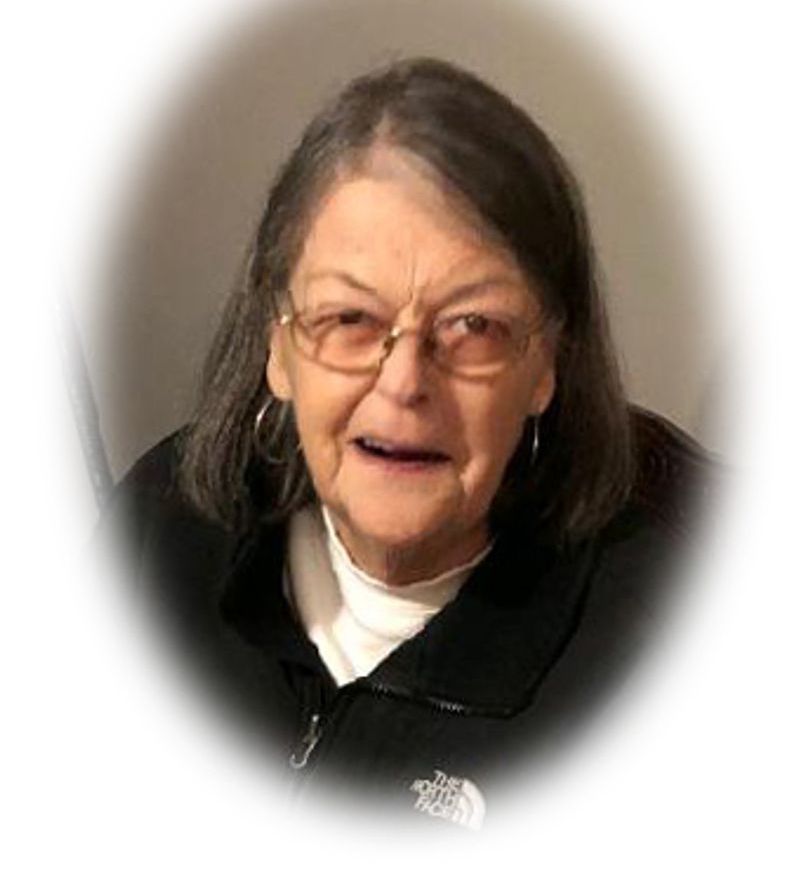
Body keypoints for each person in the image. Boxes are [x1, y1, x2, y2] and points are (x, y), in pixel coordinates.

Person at [110, 57, 709, 831]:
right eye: (349, 319)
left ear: (545, 368)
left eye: (473, 327)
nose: (404, 383)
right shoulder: (155, 531)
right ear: (278, 347)